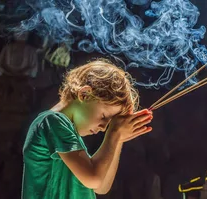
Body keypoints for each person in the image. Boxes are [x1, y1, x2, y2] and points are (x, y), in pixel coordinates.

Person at [21, 59, 154, 199]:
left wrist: (118, 139)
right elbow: (93, 179)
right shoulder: (52, 122)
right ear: (84, 94)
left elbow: (101, 187)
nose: (104, 128)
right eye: (104, 116)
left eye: (109, 123)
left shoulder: (69, 135)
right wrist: (113, 135)